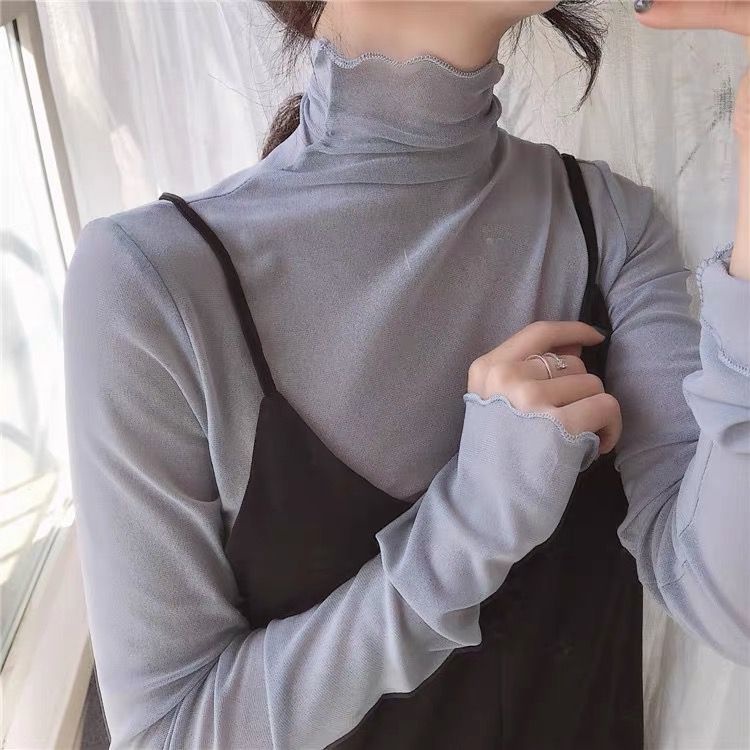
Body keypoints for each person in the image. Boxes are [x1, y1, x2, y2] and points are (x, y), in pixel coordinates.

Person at [62, 1, 750, 748]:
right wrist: (470, 527)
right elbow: (165, 732)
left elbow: (732, 604)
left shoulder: (612, 224)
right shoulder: (153, 284)